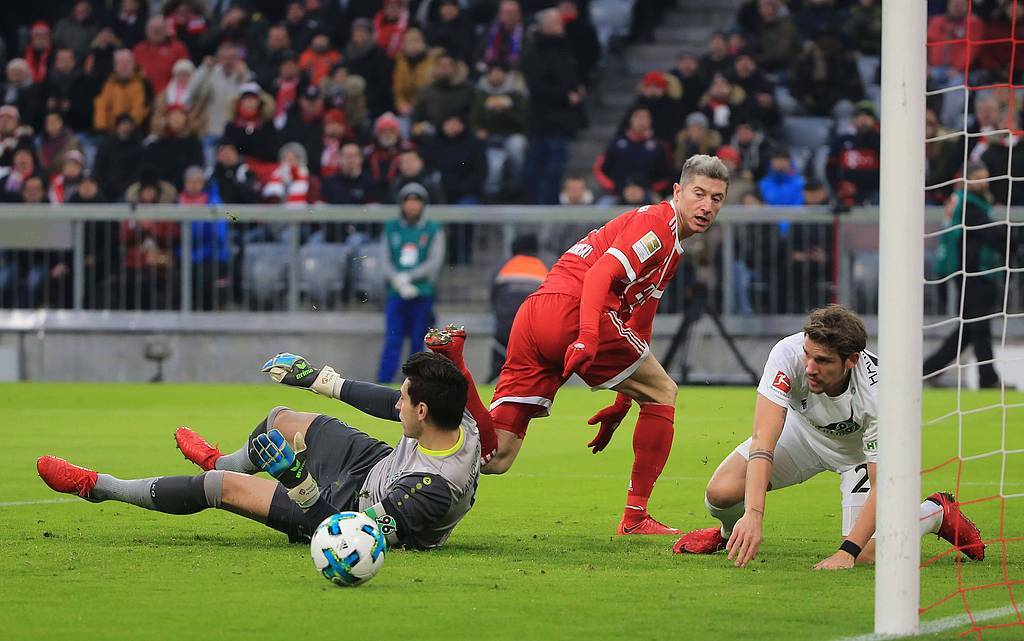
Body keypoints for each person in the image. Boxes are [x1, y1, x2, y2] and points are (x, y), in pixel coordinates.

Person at [430, 155, 730, 535]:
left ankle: (455, 373)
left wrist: (623, 401)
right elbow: (600, 274)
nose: (707, 206)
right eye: (699, 194)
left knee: (495, 456)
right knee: (663, 392)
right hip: (575, 311)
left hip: (534, 314)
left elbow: (641, 321)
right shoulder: (658, 226)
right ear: (677, 191)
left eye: (717, 199)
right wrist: (587, 336)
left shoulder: (669, 244)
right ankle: (635, 517)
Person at [38, 350, 480, 552]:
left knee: (217, 487)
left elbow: (346, 537)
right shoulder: (456, 416)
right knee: (280, 420)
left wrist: (295, 479)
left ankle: (98, 486)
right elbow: (386, 403)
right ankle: (221, 458)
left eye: (404, 400)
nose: (396, 404)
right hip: (375, 466)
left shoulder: (430, 490)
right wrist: (317, 379)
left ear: (423, 411)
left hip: (348, 513)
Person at [674, 305, 987, 569]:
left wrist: (846, 552)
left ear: (851, 360)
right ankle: (731, 535)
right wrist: (753, 515)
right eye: (808, 355)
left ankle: (935, 513)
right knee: (721, 492)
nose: (810, 368)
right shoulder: (786, 354)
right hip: (803, 433)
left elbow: (883, 483)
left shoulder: (880, 395)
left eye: (823, 361)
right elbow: (763, 440)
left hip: (858, 456)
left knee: (867, 554)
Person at [924, 162, 1008, 388]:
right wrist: (1009, 235)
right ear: (966, 179)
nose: (984, 183)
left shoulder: (961, 200)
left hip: (964, 269)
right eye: (978, 178)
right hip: (972, 271)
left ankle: (929, 369)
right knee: (978, 325)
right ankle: (988, 379)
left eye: (985, 177)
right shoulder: (970, 205)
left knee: (970, 328)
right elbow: (990, 234)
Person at [378, 183, 446, 383]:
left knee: (419, 340)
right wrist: (398, 280)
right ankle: (384, 381)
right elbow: (384, 258)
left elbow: (434, 261)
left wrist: (410, 277)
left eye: (416, 201)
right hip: (396, 291)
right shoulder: (392, 227)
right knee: (393, 338)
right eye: (408, 201)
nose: (412, 206)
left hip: (422, 292)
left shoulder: (432, 228)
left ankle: (415, 382)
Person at [489, 234, 548, 382]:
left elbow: (493, 297)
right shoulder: (545, 268)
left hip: (504, 331)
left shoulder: (503, 267)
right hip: (533, 332)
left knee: (499, 370)